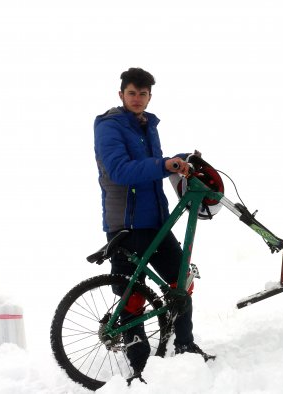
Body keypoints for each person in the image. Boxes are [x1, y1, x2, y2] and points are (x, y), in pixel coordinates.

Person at [93, 67, 215, 380]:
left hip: (157, 222)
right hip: (126, 225)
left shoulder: (148, 126)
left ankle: (183, 345)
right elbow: (121, 170)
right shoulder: (108, 126)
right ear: (121, 94)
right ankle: (140, 365)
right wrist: (163, 164)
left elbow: (153, 168)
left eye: (143, 94)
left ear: (149, 96)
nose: (137, 98)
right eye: (132, 93)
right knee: (132, 294)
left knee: (180, 281)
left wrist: (178, 159)